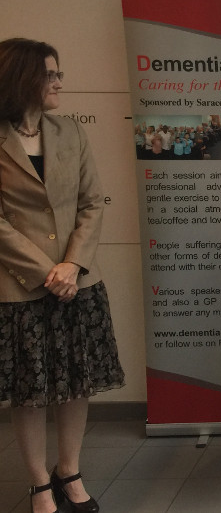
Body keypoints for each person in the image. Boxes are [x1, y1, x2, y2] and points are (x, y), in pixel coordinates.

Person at [0, 38, 125, 513]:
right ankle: (38, 484)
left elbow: (92, 202)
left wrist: (72, 264)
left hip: (79, 283)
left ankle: (68, 472)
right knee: (30, 391)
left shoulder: (69, 130)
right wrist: (47, 271)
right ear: (21, 79)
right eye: (50, 74)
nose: (58, 82)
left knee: (77, 382)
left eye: (58, 74)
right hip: (20, 285)